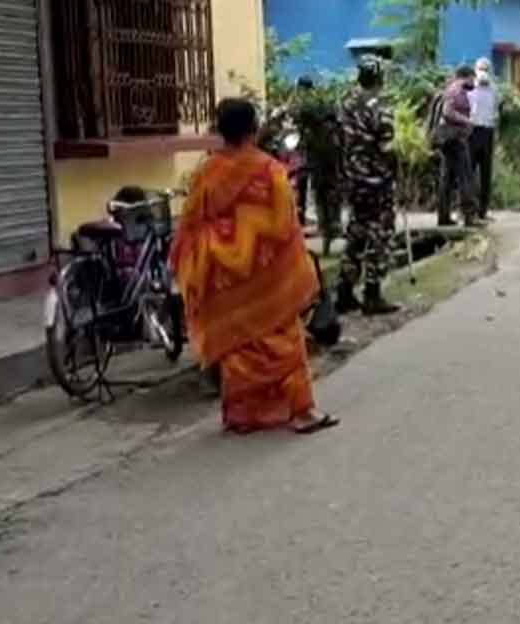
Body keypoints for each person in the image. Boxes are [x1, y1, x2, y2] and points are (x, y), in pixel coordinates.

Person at [170, 98, 338, 434]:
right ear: (254, 128)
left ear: (220, 131)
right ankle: (300, 411)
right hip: (267, 279)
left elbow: (190, 228)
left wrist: (220, 251)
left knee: (238, 345)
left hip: (224, 276)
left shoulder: (207, 173)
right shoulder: (270, 171)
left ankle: (243, 415)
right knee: (285, 341)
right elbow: (284, 229)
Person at [336, 56, 401, 317]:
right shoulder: (379, 106)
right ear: (379, 78)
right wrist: (396, 165)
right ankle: (372, 293)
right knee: (379, 234)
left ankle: (344, 290)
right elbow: (386, 143)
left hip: (352, 178)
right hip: (376, 180)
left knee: (356, 232)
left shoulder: (346, 103)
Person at [294, 77, 343, 256]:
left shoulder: (307, 107)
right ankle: (331, 226)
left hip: (319, 159)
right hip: (327, 159)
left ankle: (328, 227)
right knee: (328, 192)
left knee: (321, 193)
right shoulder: (323, 109)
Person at [435, 66, 479, 227]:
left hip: (448, 139)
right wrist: (467, 121)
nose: (473, 82)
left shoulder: (450, 88)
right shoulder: (456, 89)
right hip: (455, 139)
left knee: (446, 178)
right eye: (472, 79)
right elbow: (448, 112)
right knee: (465, 176)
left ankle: (443, 216)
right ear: (466, 77)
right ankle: (469, 216)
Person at [468, 58, 499, 221]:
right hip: (473, 131)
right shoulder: (470, 88)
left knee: (486, 173)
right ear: (475, 70)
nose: (483, 72)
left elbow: (495, 111)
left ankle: (483, 210)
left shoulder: (494, 90)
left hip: (488, 131)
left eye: (486, 69)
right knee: (469, 172)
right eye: (480, 68)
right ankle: (467, 210)